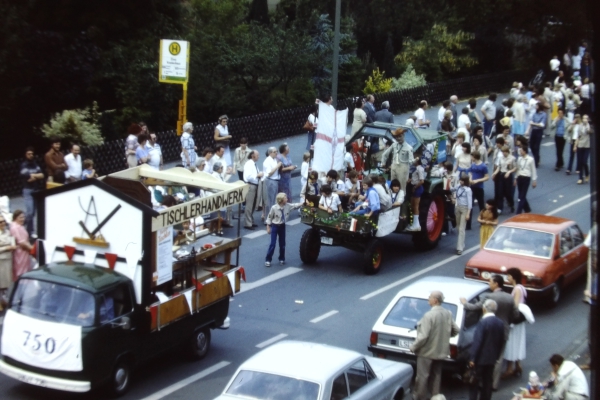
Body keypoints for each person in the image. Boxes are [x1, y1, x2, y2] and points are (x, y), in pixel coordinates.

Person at [461, 275, 519, 391]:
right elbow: (516, 315)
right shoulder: (509, 297)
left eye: (491, 282)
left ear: (497, 284)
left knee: (483, 353)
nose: (489, 284)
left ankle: (481, 379)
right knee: (499, 358)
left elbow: (476, 307)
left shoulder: (488, 296)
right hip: (503, 330)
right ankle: (493, 384)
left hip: (487, 330)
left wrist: (465, 303)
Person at [409, 291, 459, 400]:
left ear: (435, 300)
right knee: (436, 375)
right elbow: (456, 330)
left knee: (422, 376)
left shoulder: (429, 315)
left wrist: (413, 347)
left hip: (426, 352)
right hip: (440, 351)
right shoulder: (448, 313)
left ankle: (419, 397)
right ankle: (435, 396)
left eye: (430, 297)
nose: (428, 298)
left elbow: (423, 336)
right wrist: (444, 336)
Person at [468, 299, 506, 400]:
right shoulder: (500, 323)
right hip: (491, 359)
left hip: (480, 359)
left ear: (484, 309)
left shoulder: (483, 323)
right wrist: (496, 356)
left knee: (474, 382)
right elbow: (501, 342)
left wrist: (472, 358)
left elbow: (478, 341)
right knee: (487, 382)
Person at [502, 267, 527, 378]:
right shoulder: (522, 288)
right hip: (520, 320)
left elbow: (515, 306)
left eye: (509, 276)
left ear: (513, 277)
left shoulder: (517, 289)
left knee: (511, 342)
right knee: (518, 341)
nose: (507, 278)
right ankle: (518, 365)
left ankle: (509, 369)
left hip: (515, 320)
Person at [265, 193, 302, 267]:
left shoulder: (287, 206)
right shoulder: (274, 208)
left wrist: (302, 203)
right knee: (272, 244)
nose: (287, 199)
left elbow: (295, 205)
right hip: (275, 226)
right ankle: (268, 259)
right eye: (285, 198)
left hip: (282, 226)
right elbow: (269, 217)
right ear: (281, 200)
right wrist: (268, 227)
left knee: (282, 244)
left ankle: (281, 258)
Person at [20, 147, 45, 236]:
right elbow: (26, 176)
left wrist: (34, 176)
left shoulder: (35, 164)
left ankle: (30, 231)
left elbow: (42, 175)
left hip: (36, 189)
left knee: (33, 213)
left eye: (32, 154)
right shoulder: (24, 165)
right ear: (25, 155)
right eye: (29, 154)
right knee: (29, 212)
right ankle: (21, 227)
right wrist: (36, 176)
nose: (31, 156)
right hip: (28, 190)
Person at [381, 128, 414, 192]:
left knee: (401, 186)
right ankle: (392, 199)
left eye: (400, 136)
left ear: (403, 136)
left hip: (403, 168)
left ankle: (400, 200)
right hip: (394, 167)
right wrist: (383, 162)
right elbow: (385, 154)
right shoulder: (394, 145)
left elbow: (411, 161)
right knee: (393, 184)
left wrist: (414, 161)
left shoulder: (409, 148)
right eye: (396, 137)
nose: (398, 138)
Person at [467, 152, 489, 230]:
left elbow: (487, 177)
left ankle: (483, 222)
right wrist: (470, 179)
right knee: (470, 205)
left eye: (472, 157)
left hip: (479, 187)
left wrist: (478, 180)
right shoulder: (473, 165)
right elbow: (470, 172)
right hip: (472, 187)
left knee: (481, 206)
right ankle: (468, 225)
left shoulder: (483, 166)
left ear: (475, 157)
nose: (471, 158)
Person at [243, 150, 263, 230]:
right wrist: (258, 175)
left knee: (254, 204)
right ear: (252, 155)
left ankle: (250, 220)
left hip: (255, 185)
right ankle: (247, 223)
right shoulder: (249, 164)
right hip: (251, 185)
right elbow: (248, 177)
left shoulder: (254, 164)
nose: (258, 156)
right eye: (257, 155)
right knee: (249, 205)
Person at [9, 210, 32, 281]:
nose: (23, 219)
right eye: (20, 217)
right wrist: (33, 249)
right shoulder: (15, 228)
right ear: (15, 218)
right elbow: (22, 242)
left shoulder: (19, 226)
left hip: (24, 252)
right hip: (20, 253)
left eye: (23, 217)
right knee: (21, 271)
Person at [452, 176, 472, 255]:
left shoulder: (468, 190)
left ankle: (459, 248)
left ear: (465, 181)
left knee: (461, 228)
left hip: (465, 208)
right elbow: (452, 189)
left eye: (462, 181)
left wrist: (468, 213)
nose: (460, 182)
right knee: (458, 226)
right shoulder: (458, 186)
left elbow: (470, 202)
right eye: (460, 180)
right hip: (457, 207)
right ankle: (462, 243)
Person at [515, 146, 537, 214]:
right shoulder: (519, 159)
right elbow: (517, 168)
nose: (520, 152)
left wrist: (534, 180)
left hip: (526, 178)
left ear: (525, 151)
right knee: (520, 195)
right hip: (520, 177)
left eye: (521, 151)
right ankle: (527, 209)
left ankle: (518, 212)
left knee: (522, 196)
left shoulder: (530, 159)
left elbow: (533, 170)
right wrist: (515, 178)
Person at [0, 216, 16, 310]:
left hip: (8, 260)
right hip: (0, 261)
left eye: (3, 221)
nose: (2, 224)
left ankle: (3, 300)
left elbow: (12, 242)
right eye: (0, 222)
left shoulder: (8, 232)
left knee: (6, 282)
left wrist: (11, 245)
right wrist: (6, 248)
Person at [263, 147, 283, 222]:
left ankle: (272, 217)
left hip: (275, 180)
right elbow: (269, 173)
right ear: (270, 153)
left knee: (274, 200)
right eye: (275, 152)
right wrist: (277, 166)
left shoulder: (274, 159)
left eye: (277, 151)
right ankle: (268, 219)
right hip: (271, 181)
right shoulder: (267, 161)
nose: (276, 153)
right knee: (270, 201)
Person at [406, 158, 425, 231]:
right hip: (414, 187)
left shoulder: (419, 169)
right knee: (412, 205)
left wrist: (415, 187)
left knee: (415, 206)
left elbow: (422, 181)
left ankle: (416, 225)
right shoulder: (415, 168)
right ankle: (413, 223)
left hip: (417, 188)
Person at [495, 146, 516, 214]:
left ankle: (511, 204)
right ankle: (500, 208)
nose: (503, 153)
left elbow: (515, 168)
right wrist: (495, 173)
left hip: (508, 176)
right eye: (502, 152)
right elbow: (499, 167)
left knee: (508, 193)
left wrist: (509, 171)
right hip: (502, 175)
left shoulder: (512, 158)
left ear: (507, 152)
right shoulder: (501, 158)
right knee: (500, 192)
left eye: (504, 152)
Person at [526, 103, 546, 167]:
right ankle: (536, 157)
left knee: (537, 147)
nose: (536, 107)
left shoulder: (543, 114)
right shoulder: (535, 114)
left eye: (537, 106)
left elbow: (542, 124)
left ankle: (536, 162)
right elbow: (531, 122)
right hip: (533, 131)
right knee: (531, 145)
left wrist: (534, 124)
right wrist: (528, 131)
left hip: (539, 131)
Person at [574, 115, 591, 185]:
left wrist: (587, 128)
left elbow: (591, 132)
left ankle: (587, 174)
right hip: (580, 145)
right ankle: (580, 178)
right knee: (580, 162)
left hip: (587, 146)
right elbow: (578, 137)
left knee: (584, 161)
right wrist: (575, 146)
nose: (584, 120)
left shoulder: (589, 126)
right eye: (583, 118)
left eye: (586, 118)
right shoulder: (580, 126)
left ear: (588, 119)